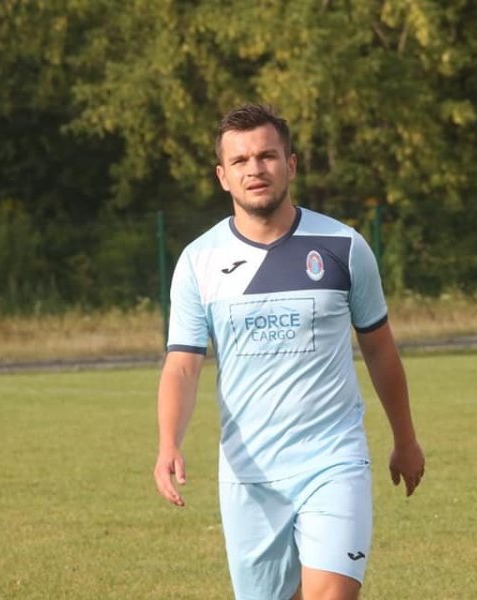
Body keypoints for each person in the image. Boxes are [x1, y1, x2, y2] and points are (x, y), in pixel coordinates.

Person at [153, 103, 425, 600]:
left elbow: (380, 350)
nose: (254, 169)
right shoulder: (198, 261)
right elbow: (183, 366)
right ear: (222, 176)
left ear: (291, 164)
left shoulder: (344, 247)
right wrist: (169, 442)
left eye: (267, 156)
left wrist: (405, 439)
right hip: (249, 475)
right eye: (240, 161)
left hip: (334, 459)